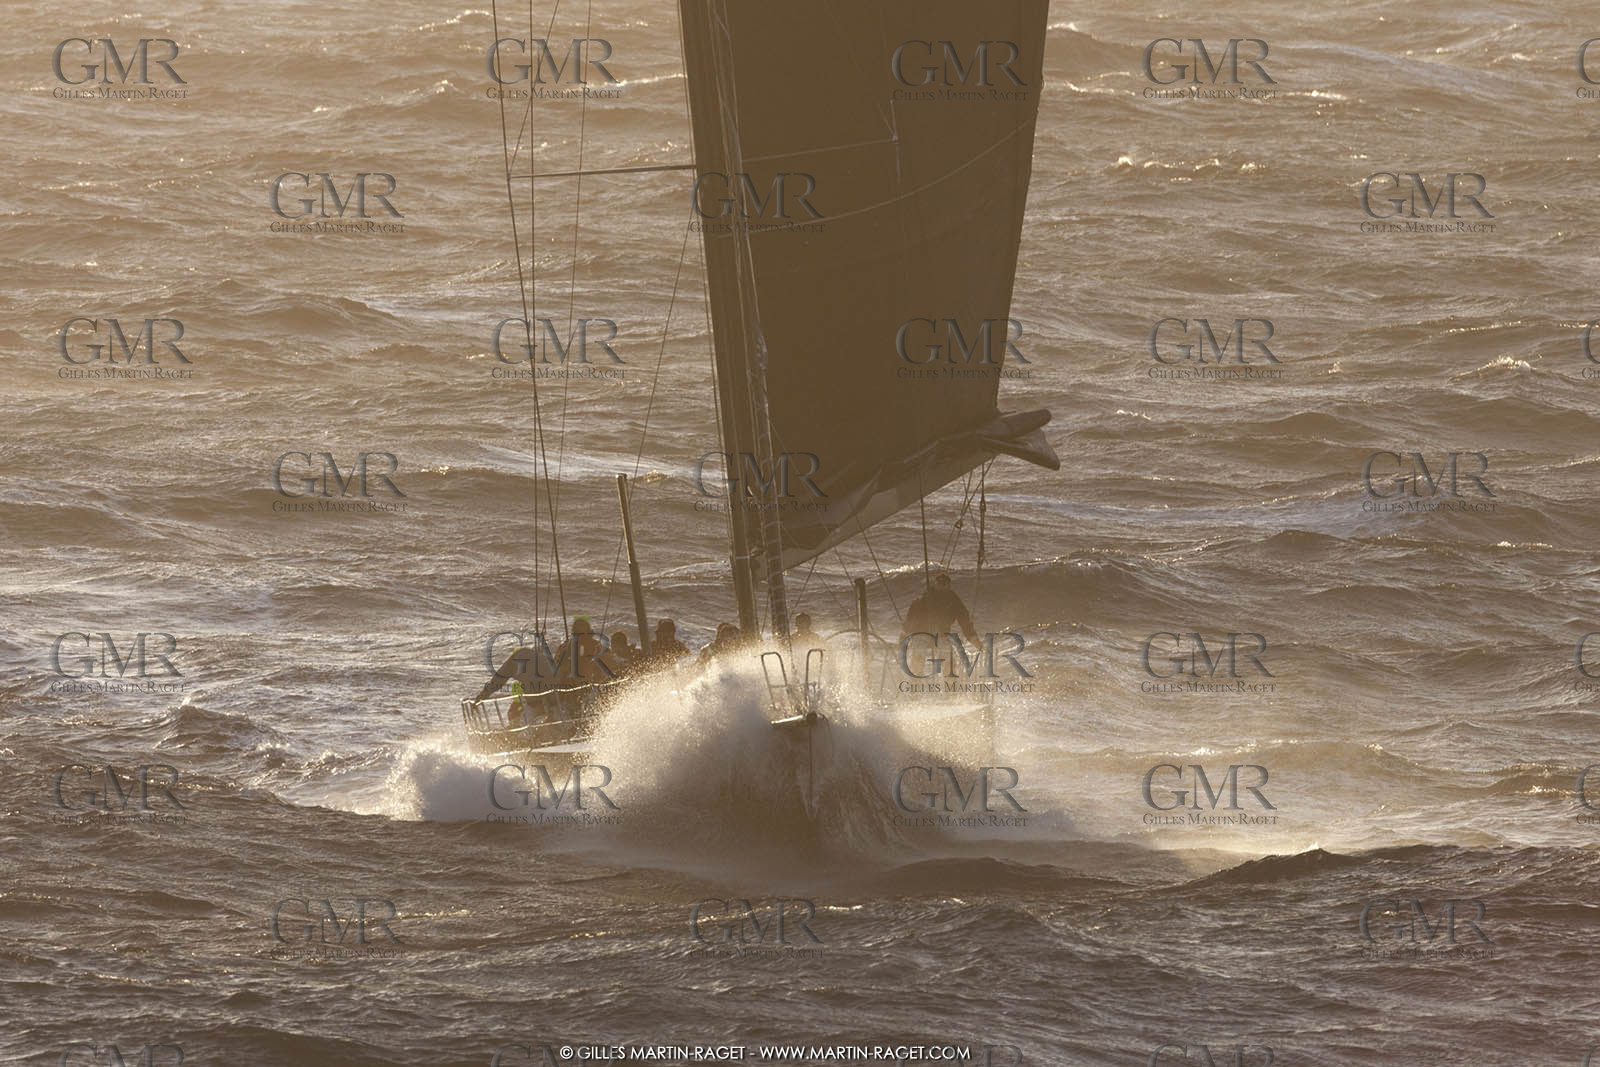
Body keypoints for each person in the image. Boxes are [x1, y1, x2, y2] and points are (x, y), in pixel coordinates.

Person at [901, 570, 980, 646]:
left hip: (942, 634)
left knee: (946, 651)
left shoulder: (953, 601)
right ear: (935, 584)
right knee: (919, 647)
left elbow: (964, 621)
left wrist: (974, 640)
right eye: (940, 584)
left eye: (945, 584)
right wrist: (905, 636)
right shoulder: (926, 598)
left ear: (949, 586)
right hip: (922, 632)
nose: (942, 586)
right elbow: (911, 618)